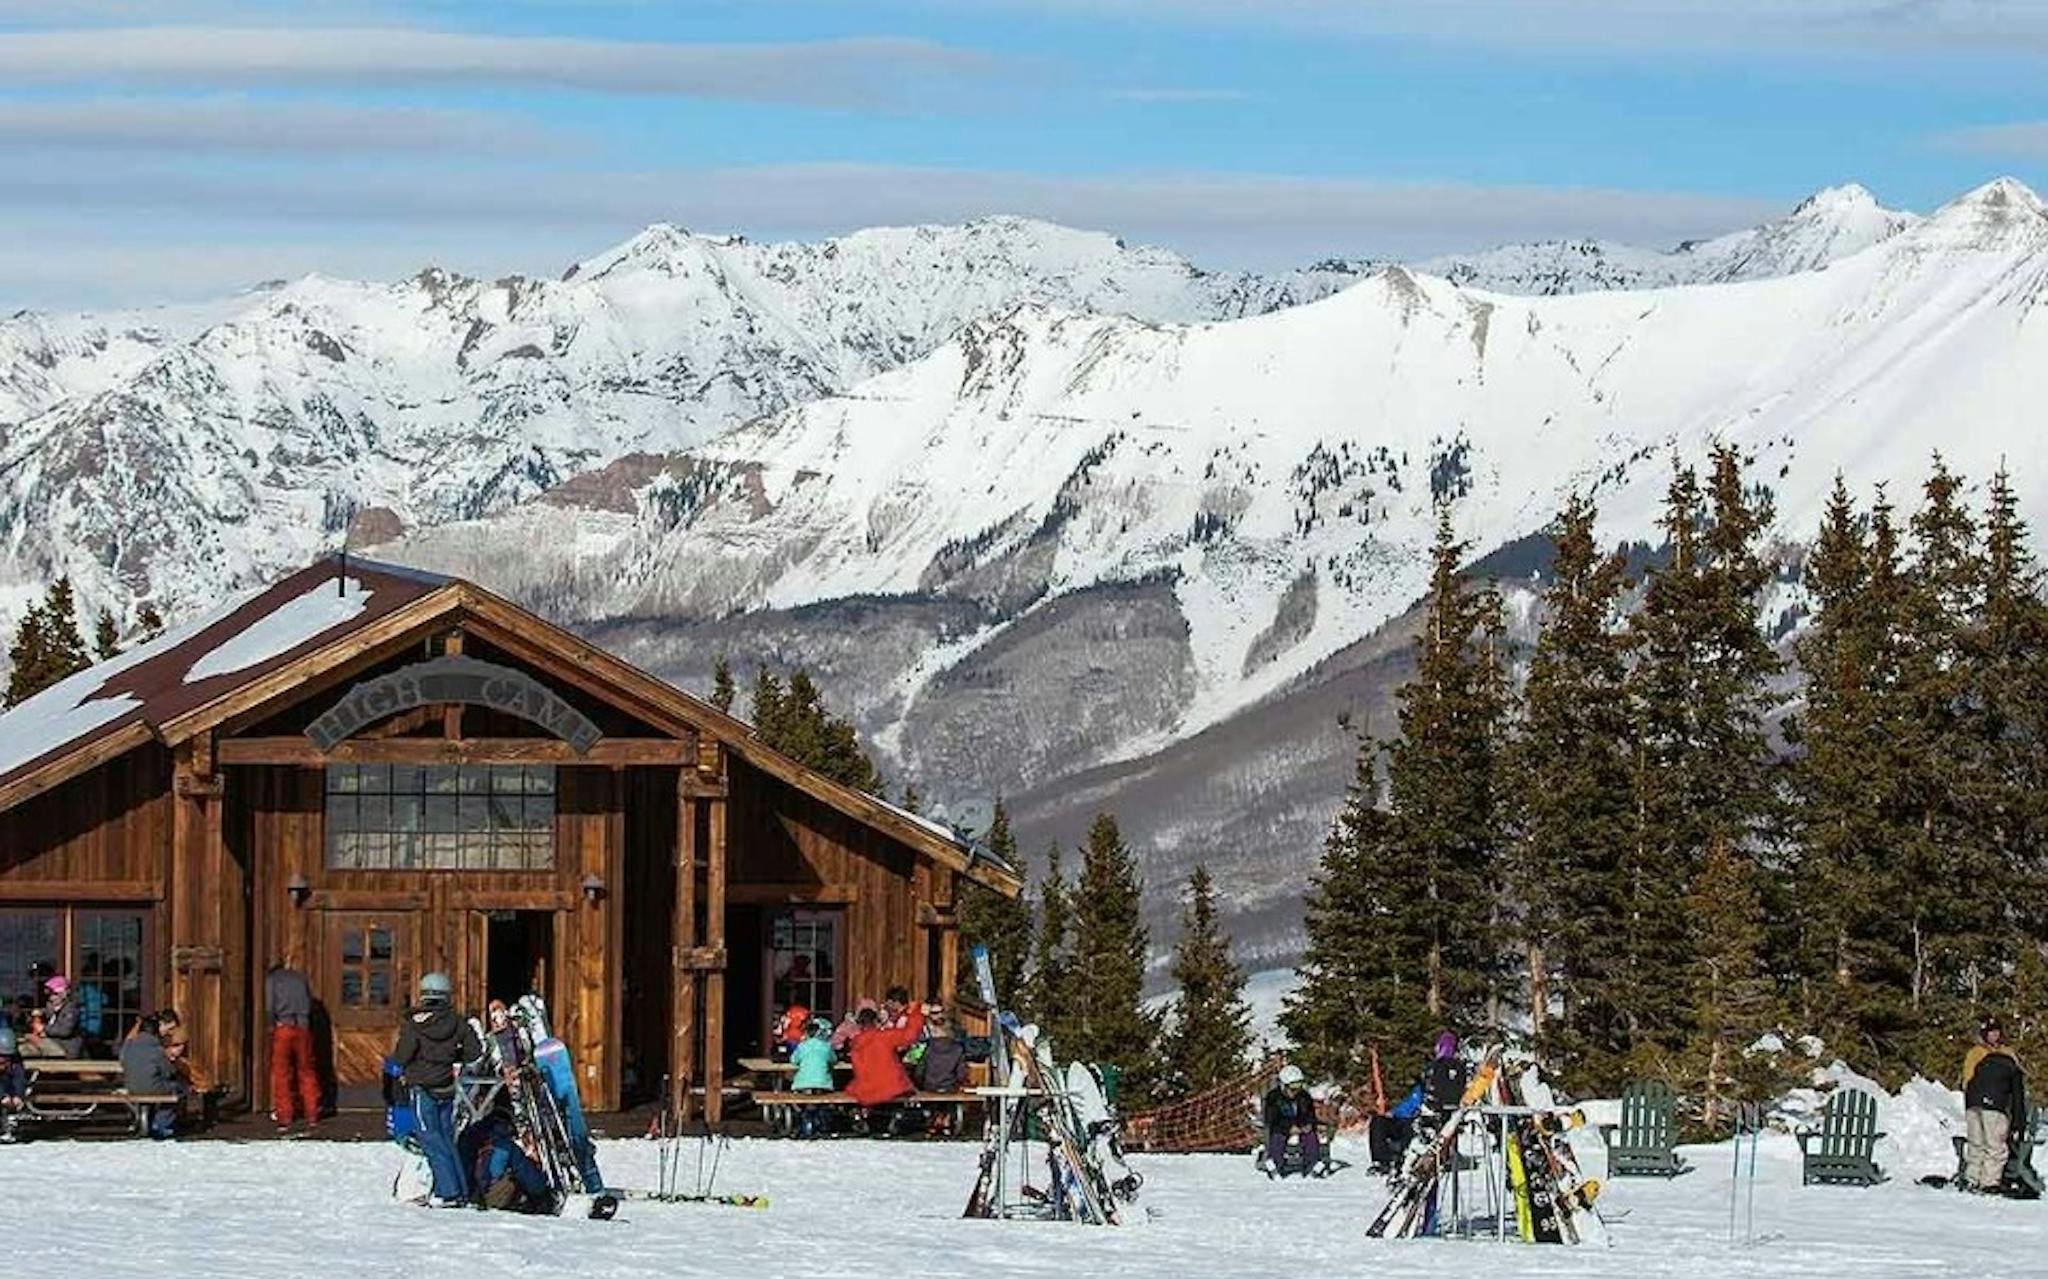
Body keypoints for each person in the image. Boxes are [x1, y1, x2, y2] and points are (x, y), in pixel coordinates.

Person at [392, 972, 481, 1207]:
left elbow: (401, 1056)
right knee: (446, 1139)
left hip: (422, 1088)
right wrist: (452, 1054)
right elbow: (475, 1053)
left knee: (429, 1138)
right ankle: (460, 1191)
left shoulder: (415, 1026)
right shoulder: (458, 1022)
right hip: (446, 1087)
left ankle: (448, 1192)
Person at [1962, 1016, 2026, 1193]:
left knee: (1985, 1142)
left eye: (1997, 1031)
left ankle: (1977, 1178)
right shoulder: (1976, 1053)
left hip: (1983, 1102)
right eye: (1990, 1032)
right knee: (1985, 1143)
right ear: (1984, 1034)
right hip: (1986, 1103)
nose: (1994, 1035)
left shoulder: (2007, 1052)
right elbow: (1967, 1079)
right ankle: (1985, 1181)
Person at [846, 998, 927, 1130]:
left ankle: (861, 1115)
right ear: (876, 1021)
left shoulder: (856, 1044)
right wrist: (916, 1014)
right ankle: (896, 1116)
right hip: (893, 1086)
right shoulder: (885, 1037)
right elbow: (910, 1035)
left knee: (849, 1090)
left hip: (867, 1088)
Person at [265, 963, 321, 1133]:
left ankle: (285, 1115)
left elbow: (269, 1005)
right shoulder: (300, 978)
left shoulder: (272, 980)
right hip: (303, 1026)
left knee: (281, 1073)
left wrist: (270, 1023)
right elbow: (309, 1002)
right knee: (307, 1070)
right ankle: (312, 1113)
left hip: (284, 1026)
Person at [119, 1014, 184, 1140]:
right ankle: (160, 1125)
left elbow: (123, 1061)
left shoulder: (128, 1045)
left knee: (155, 1089)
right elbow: (168, 1072)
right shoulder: (157, 1049)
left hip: (131, 1087)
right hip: (153, 1087)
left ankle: (144, 1121)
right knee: (178, 1090)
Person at [1262, 1064, 1324, 1175]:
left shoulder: (1304, 1097)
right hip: (1281, 1126)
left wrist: (1307, 1125)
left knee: (1310, 1136)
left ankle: (1312, 1165)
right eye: (1292, 1088)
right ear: (1283, 1086)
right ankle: (1276, 1165)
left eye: (1298, 1087)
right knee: (1277, 1137)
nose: (1295, 1091)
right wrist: (1288, 1127)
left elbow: (1309, 1115)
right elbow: (1271, 1119)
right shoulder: (1273, 1098)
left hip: (1299, 1125)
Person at [791, 1015, 838, 1139]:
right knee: (822, 1100)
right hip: (823, 1085)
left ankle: (804, 1118)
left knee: (797, 1098)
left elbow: (794, 1060)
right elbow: (834, 1060)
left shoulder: (802, 1046)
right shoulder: (826, 1046)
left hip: (802, 1085)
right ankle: (821, 1121)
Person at [33, 976, 82, 1058]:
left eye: (55, 994)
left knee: (31, 1048)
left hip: (65, 1047)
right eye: (49, 994)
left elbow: (65, 1030)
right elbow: (49, 1012)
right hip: (53, 1043)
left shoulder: (71, 1009)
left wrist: (43, 1028)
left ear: (64, 994)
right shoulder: (53, 1006)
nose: (51, 997)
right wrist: (40, 1012)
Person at [0, 1022, 25, 1143]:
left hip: (7, 1089)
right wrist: (2, 1095)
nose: (5, 1059)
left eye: (8, 1056)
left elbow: (18, 1077)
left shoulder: (15, 1061)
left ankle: (9, 1129)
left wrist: (18, 1095)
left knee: (11, 1104)